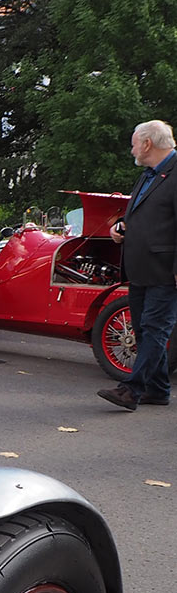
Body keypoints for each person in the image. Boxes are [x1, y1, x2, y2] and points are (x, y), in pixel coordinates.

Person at [97, 120, 177, 411]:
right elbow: (144, 215)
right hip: (141, 267)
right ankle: (157, 389)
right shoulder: (148, 175)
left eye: (133, 142)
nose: (131, 148)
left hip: (165, 269)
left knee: (155, 329)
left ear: (147, 144)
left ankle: (131, 390)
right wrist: (121, 227)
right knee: (144, 330)